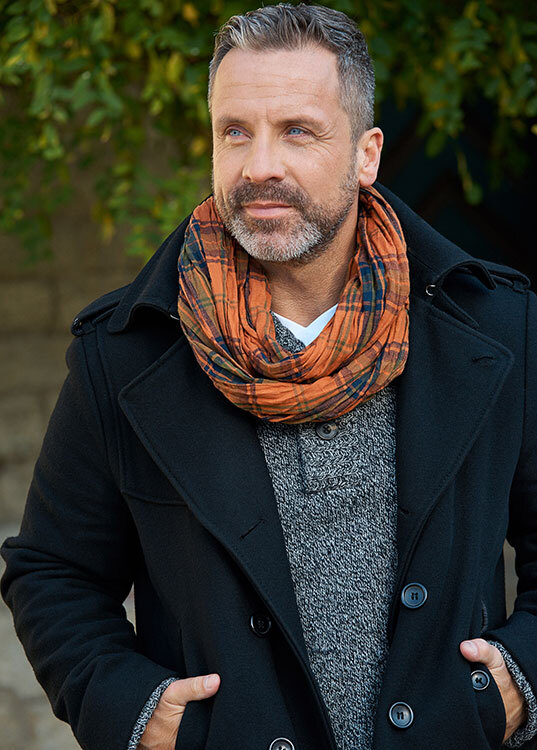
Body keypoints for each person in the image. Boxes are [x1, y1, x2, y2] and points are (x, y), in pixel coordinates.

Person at [2, 4, 537, 749]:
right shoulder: (127, 352)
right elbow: (52, 571)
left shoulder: (495, 326)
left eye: (296, 130)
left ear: (366, 155)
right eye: (234, 132)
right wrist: (137, 712)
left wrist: (518, 683)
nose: (259, 166)